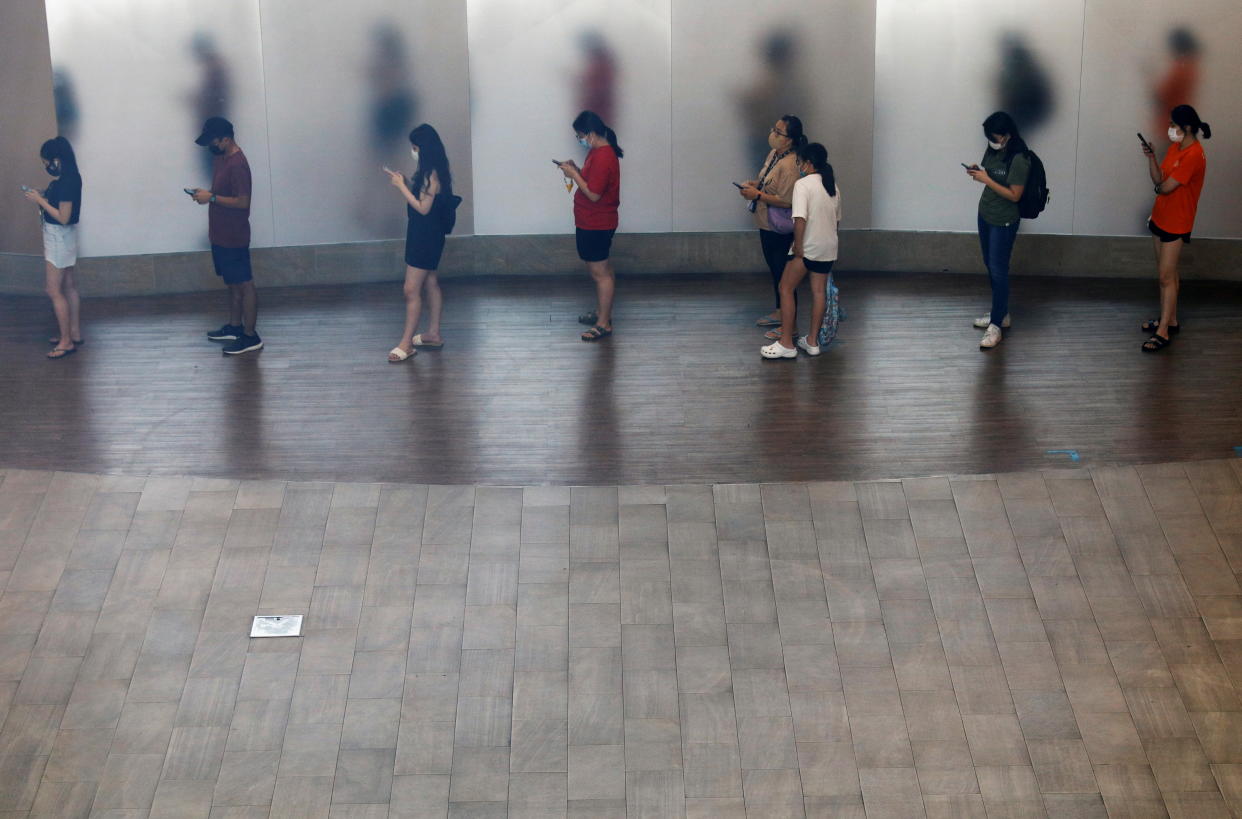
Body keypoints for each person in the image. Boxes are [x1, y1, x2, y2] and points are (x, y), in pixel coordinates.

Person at [1140, 104, 1210, 353]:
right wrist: (1151, 159)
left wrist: (1159, 188)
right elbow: (1159, 179)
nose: (1169, 129)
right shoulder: (1174, 148)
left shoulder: (1194, 155)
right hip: (1160, 217)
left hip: (1177, 221)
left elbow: (1167, 188)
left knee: (1165, 277)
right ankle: (1170, 319)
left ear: (1187, 127)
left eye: (1173, 125)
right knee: (1168, 274)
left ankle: (1163, 332)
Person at [760, 143, 841, 359]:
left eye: (800, 162)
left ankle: (786, 343)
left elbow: (799, 220)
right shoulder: (832, 186)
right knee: (818, 293)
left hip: (808, 247)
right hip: (828, 247)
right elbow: (837, 221)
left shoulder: (803, 185)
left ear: (808, 163)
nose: (799, 165)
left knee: (785, 288)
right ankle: (812, 342)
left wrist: (798, 247)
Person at [192, 117, 261, 355]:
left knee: (245, 284)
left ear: (226, 139)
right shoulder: (221, 158)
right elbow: (223, 193)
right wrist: (207, 194)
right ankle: (234, 326)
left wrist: (210, 198)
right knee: (231, 283)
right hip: (220, 233)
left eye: (213, 141)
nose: (210, 146)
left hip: (234, 235)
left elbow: (243, 202)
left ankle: (251, 336)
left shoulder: (238, 164)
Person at [385, 123, 452, 363]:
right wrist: (406, 182)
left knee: (411, 289)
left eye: (414, 147)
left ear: (422, 148)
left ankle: (406, 344)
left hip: (424, 237)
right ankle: (433, 333)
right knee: (431, 281)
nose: (412, 151)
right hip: (427, 235)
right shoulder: (433, 170)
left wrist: (401, 187)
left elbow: (423, 208)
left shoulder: (430, 174)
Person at [557, 110, 622, 342]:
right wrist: (577, 169)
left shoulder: (604, 156)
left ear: (592, 134)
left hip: (597, 222)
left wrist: (574, 174)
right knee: (602, 270)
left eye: (580, 136)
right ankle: (602, 312)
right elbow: (592, 181)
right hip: (590, 220)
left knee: (600, 273)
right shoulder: (598, 153)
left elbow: (594, 194)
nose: (579, 140)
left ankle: (603, 323)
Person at [966, 111, 1029, 350]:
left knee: (999, 269)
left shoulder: (1020, 157)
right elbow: (990, 174)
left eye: (994, 137)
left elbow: (1015, 195)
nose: (991, 141)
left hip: (1004, 220)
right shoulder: (994, 149)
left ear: (1006, 135)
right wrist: (978, 172)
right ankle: (1000, 313)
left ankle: (997, 325)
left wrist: (986, 180)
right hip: (986, 214)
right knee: (990, 265)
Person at [739, 115, 805, 334]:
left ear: (790, 140)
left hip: (780, 226)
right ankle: (780, 311)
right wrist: (754, 185)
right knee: (775, 271)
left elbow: (786, 200)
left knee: (783, 273)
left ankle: (790, 324)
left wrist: (756, 194)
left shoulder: (791, 164)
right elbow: (768, 182)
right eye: (773, 129)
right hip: (766, 222)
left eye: (779, 132)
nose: (773, 135)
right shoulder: (774, 155)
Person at [23, 136, 83, 359]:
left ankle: (66, 342)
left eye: (46, 161)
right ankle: (73, 333)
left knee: (53, 290)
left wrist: (39, 201)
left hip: (58, 237)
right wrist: (45, 194)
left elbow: (63, 217)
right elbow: (62, 204)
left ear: (56, 159)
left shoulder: (66, 181)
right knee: (69, 285)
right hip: (65, 237)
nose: (46, 165)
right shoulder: (70, 177)